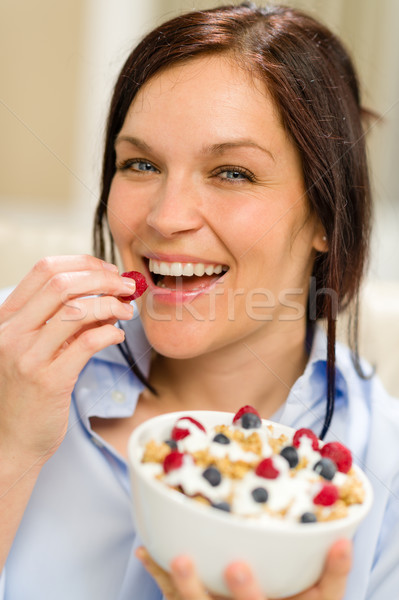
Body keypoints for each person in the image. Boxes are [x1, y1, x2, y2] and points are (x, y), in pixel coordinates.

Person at [0, 2, 398, 599]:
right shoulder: (16, 351)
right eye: (140, 164)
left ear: (326, 215)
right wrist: (10, 446)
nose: (165, 218)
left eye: (233, 173)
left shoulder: (381, 471)